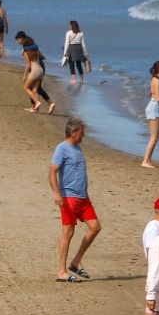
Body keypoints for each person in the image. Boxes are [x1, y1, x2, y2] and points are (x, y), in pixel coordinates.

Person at [49, 118, 99, 281]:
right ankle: (61, 272)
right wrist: (56, 193)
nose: (84, 135)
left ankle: (76, 261)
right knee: (68, 232)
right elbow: (52, 172)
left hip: (83, 197)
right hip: (68, 197)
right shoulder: (61, 149)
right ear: (73, 132)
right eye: (81, 132)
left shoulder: (77, 148)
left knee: (95, 227)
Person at [14, 31, 54, 114]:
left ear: (24, 39)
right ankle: (36, 108)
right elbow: (43, 57)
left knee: (26, 87)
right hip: (41, 70)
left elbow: (28, 65)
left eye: (19, 40)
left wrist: (25, 75)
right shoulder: (35, 48)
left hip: (35, 70)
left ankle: (37, 103)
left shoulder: (26, 51)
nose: (18, 42)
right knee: (35, 89)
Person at [62, 20, 89, 87]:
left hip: (71, 49)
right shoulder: (81, 33)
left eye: (70, 25)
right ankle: (82, 80)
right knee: (79, 65)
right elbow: (83, 44)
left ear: (71, 26)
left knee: (71, 65)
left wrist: (65, 52)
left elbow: (66, 43)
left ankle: (74, 80)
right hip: (79, 49)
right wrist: (85, 53)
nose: (69, 26)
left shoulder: (68, 33)